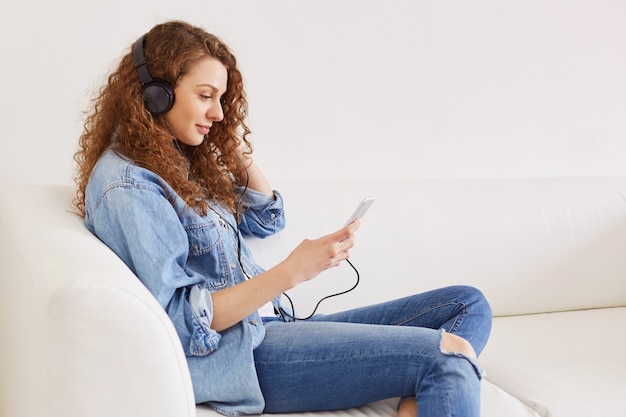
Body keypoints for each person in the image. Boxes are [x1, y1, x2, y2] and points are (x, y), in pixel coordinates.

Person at [73, 20, 492, 417]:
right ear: (156, 95)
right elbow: (179, 320)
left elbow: (266, 217)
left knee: (467, 304)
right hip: (246, 354)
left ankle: (418, 401)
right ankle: (432, 385)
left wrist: (236, 155)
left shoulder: (175, 162)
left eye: (221, 98)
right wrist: (292, 271)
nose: (218, 113)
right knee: (446, 355)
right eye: (205, 96)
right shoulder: (129, 185)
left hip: (272, 327)